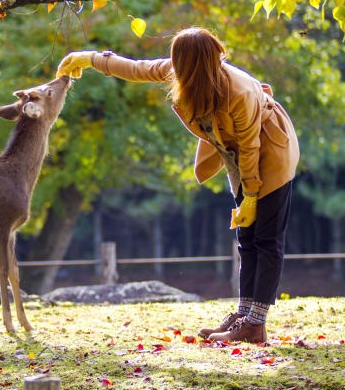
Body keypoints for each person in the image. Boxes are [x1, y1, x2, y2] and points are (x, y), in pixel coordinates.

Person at [56, 27, 300, 343]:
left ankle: (255, 323)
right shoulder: (183, 74)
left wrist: (251, 197)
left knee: (266, 239)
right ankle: (243, 314)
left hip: (269, 149)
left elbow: (252, 146)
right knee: (246, 238)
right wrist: (87, 58)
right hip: (238, 154)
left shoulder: (239, 92)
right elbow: (135, 68)